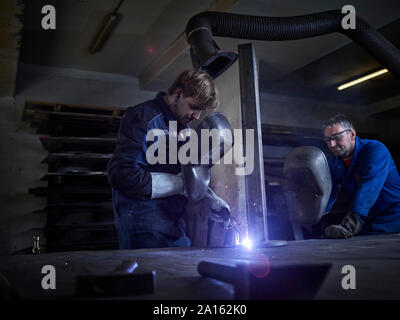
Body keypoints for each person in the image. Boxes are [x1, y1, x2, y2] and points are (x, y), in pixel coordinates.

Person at [107, 69, 230, 249]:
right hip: (143, 224)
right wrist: (181, 185)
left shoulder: (185, 130)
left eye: (200, 111)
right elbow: (122, 175)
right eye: (194, 107)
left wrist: (210, 198)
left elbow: (185, 176)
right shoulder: (143, 117)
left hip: (174, 224)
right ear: (178, 94)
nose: (196, 116)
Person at [319, 114, 400, 239]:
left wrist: (349, 225)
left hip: (393, 217)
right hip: (367, 218)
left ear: (351, 134)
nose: (332, 144)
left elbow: (368, 189)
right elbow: (330, 191)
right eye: (327, 139)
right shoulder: (334, 162)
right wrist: (320, 214)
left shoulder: (375, 150)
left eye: (336, 137)